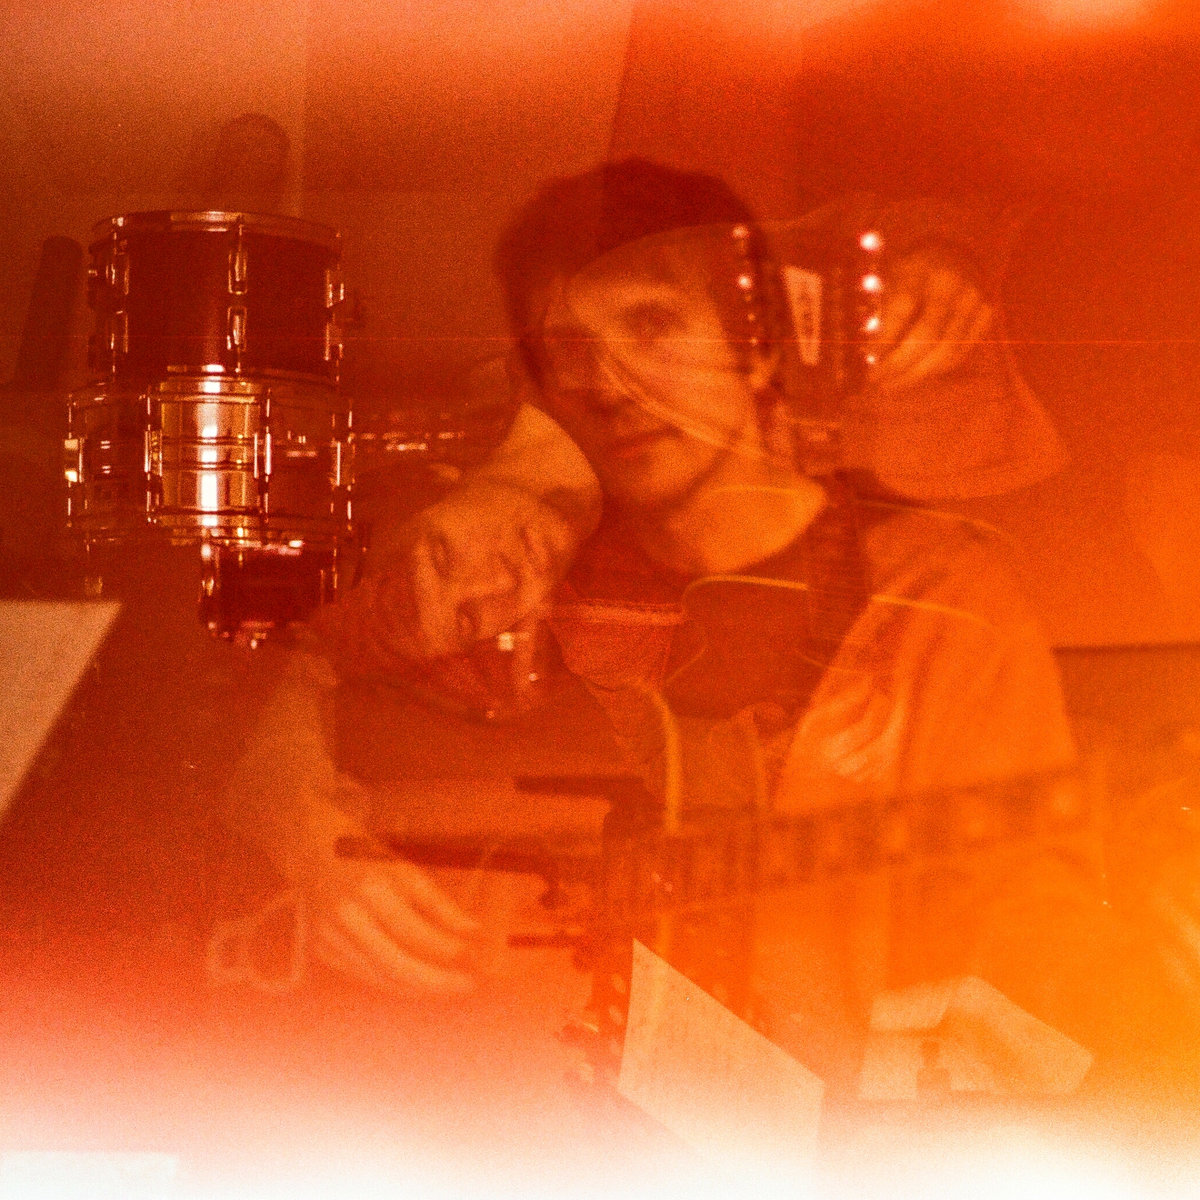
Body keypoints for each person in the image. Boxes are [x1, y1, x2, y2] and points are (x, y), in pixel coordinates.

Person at [231, 161, 1112, 1092]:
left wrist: (847, 1074)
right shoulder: (556, 596)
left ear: (758, 337)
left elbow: (1040, 962)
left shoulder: (933, 596)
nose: (611, 383)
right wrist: (309, 841)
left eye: (654, 326)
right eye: (570, 352)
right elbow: (258, 672)